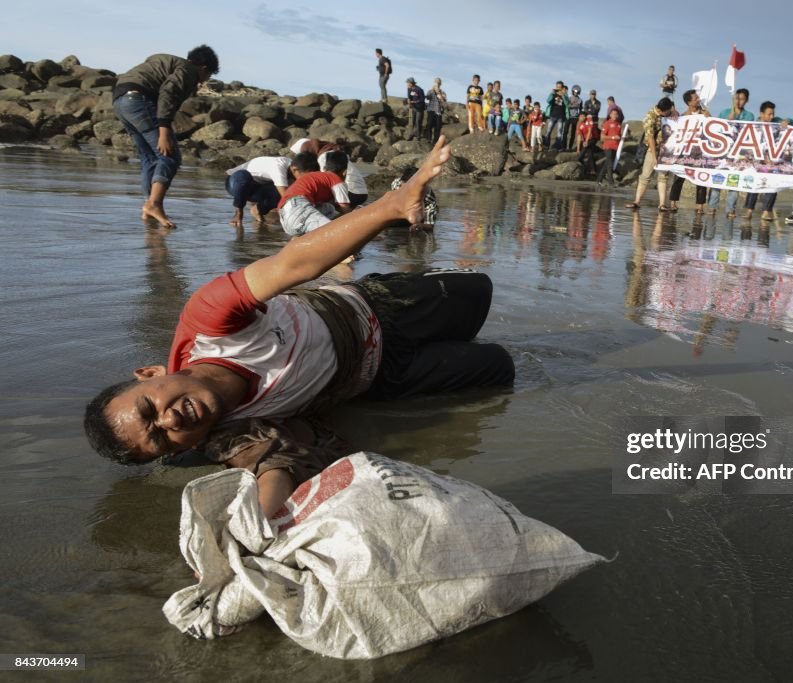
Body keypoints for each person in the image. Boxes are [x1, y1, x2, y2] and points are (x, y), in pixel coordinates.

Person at [83, 138, 516, 517]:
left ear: (151, 373)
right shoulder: (226, 432)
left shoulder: (208, 322)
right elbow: (274, 467)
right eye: (162, 439)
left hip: (376, 308)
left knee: (479, 287)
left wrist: (391, 206)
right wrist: (259, 528)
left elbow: (295, 262)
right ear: (180, 450)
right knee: (499, 367)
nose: (170, 418)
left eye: (149, 410)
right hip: (383, 375)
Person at [112, 45, 219, 229]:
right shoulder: (187, 70)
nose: (204, 81)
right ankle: (154, 204)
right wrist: (164, 130)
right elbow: (167, 93)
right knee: (170, 155)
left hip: (120, 100)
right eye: (208, 76)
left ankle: (149, 206)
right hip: (137, 100)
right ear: (203, 68)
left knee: (149, 158)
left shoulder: (166, 60)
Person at [277, 152, 351, 236]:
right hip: (299, 208)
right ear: (344, 172)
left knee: (329, 208)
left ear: (325, 168)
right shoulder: (336, 180)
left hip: (285, 217)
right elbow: (346, 210)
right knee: (335, 233)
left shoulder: (317, 177)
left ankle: (298, 239)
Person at [708, 88, 755, 218]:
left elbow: (749, 133)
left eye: (742, 99)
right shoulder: (724, 112)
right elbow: (716, 130)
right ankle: (712, 206)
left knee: (734, 182)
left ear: (746, 100)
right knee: (717, 181)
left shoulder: (749, 116)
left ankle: (730, 208)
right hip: (723, 153)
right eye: (737, 98)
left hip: (738, 154)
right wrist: (727, 122)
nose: (739, 101)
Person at [624, 97, 675, 210]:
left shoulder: (669, 113)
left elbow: (674, 114)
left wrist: (674, 112)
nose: (670, 112)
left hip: (666, 148)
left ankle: (662, 204)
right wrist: (654, 157)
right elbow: (650, 137)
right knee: (645, 176)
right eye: (668, 111)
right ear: (662, 110)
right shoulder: (650, 117)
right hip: (653, 148)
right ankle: (637, 201)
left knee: (663, 177)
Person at [664, 89, 709, 213]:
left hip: (699, 151)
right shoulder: (683, 117)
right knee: (678, 176)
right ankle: (673, 202)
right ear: (689, 103)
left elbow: (711, 129)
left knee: (701, 178)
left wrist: (708, 118)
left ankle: (700, 205)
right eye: (695, 99)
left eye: (698, 97)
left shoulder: (704, 115)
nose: (698, 100)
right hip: (684, 151)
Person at [290, 138, 368, 207]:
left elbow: (327, 179)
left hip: (351, 193)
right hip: (361, 192)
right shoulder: (332, 152)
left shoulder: (324, 157)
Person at [224, 156, 291, 228]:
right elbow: (286, 198)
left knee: (289, 192)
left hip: (256, 187)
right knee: (243, 175)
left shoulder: (291, 166)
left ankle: (258, 210)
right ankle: (238, 213)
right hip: (234, 184)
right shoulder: (279, 167)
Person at [742, 101, 782, 221]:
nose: (771, 117)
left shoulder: (775, 128)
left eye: (772, 114)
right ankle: (749, 210)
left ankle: (766, 212)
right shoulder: (754, 127)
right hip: (757, 160)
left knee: (772, 186)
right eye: (769, 114)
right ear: (762, 114)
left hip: (771, 161)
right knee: (754, 185)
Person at [597, 108, 622, 185]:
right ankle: (611, 181)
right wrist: (613, 137)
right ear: (610, 115)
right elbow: (602, 136)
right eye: (613, 114)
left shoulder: (618, 125)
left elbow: (619, 136)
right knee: (610, 163)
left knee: (607, 163)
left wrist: (621, 138)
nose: (615, 115)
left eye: (616, 114)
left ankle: (599, 180)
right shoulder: (607, 123)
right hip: (608, 147)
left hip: (615, 147)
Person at [576, 113, 600, 177]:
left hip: (593, 137)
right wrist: (578, 149)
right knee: (589, 152)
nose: (581, 117)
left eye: (583, 116)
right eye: (580, 116)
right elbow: (579, 137)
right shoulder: (579, 124)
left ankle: (579, 160)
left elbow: (590, 131)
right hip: (586, 140)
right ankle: (593, 170)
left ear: (585, 117)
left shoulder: (589, 120)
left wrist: (586, 142)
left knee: (585, 149)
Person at [545, 81, 568, 149]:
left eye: (560, 87)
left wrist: (563, 95)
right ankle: (546, 145)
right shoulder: (553, 94)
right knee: (548, 131)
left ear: (562, 88)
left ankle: (557, 147)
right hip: (553, 115)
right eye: (557, 87)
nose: (558, 88)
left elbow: (567, 103)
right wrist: (552, 94)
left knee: (559, 133)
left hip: (561, 116)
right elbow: (548, 101)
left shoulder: (565, 95)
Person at [424, 77, 446, 144]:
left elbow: (443, 101)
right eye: (436, 82)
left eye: (438, 82)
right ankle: (429, 138)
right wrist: (433, 91)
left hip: (438, 111)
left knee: (438, 127)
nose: (437, 84)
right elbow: (427, 98)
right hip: (431, 109)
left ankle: (435, 140)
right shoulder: (430, 91)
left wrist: (438, 93)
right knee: (429, 125)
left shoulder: (442, 92)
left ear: (440, 84)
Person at [565, 85, 583, 150]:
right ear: (572, 91)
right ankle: (564, 147)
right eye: (575, 92)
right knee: (565, 132)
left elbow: (581, 109)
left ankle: (570, 147)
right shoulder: (569, 97)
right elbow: (566, 105)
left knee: (573, 133)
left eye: (577, 92)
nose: (576, 93)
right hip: (568, 116)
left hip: (575, 117)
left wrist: (579, 117)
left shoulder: (580, 100)